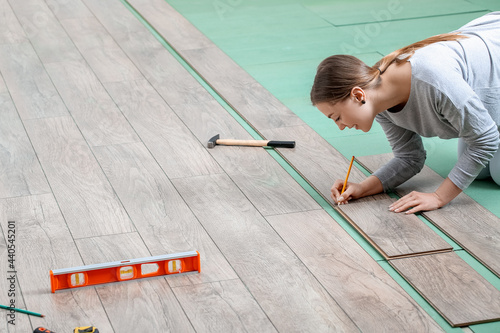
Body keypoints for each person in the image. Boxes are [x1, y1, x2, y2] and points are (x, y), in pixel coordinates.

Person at [310, 12, 500, 214]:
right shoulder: (380, 101)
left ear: (357, 95)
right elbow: (409, 157)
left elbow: (486, 139)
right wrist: (362, 188)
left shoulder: (432, 79)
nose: (340, 126)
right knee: (480, 171)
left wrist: (438, 197)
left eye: (337, 117)